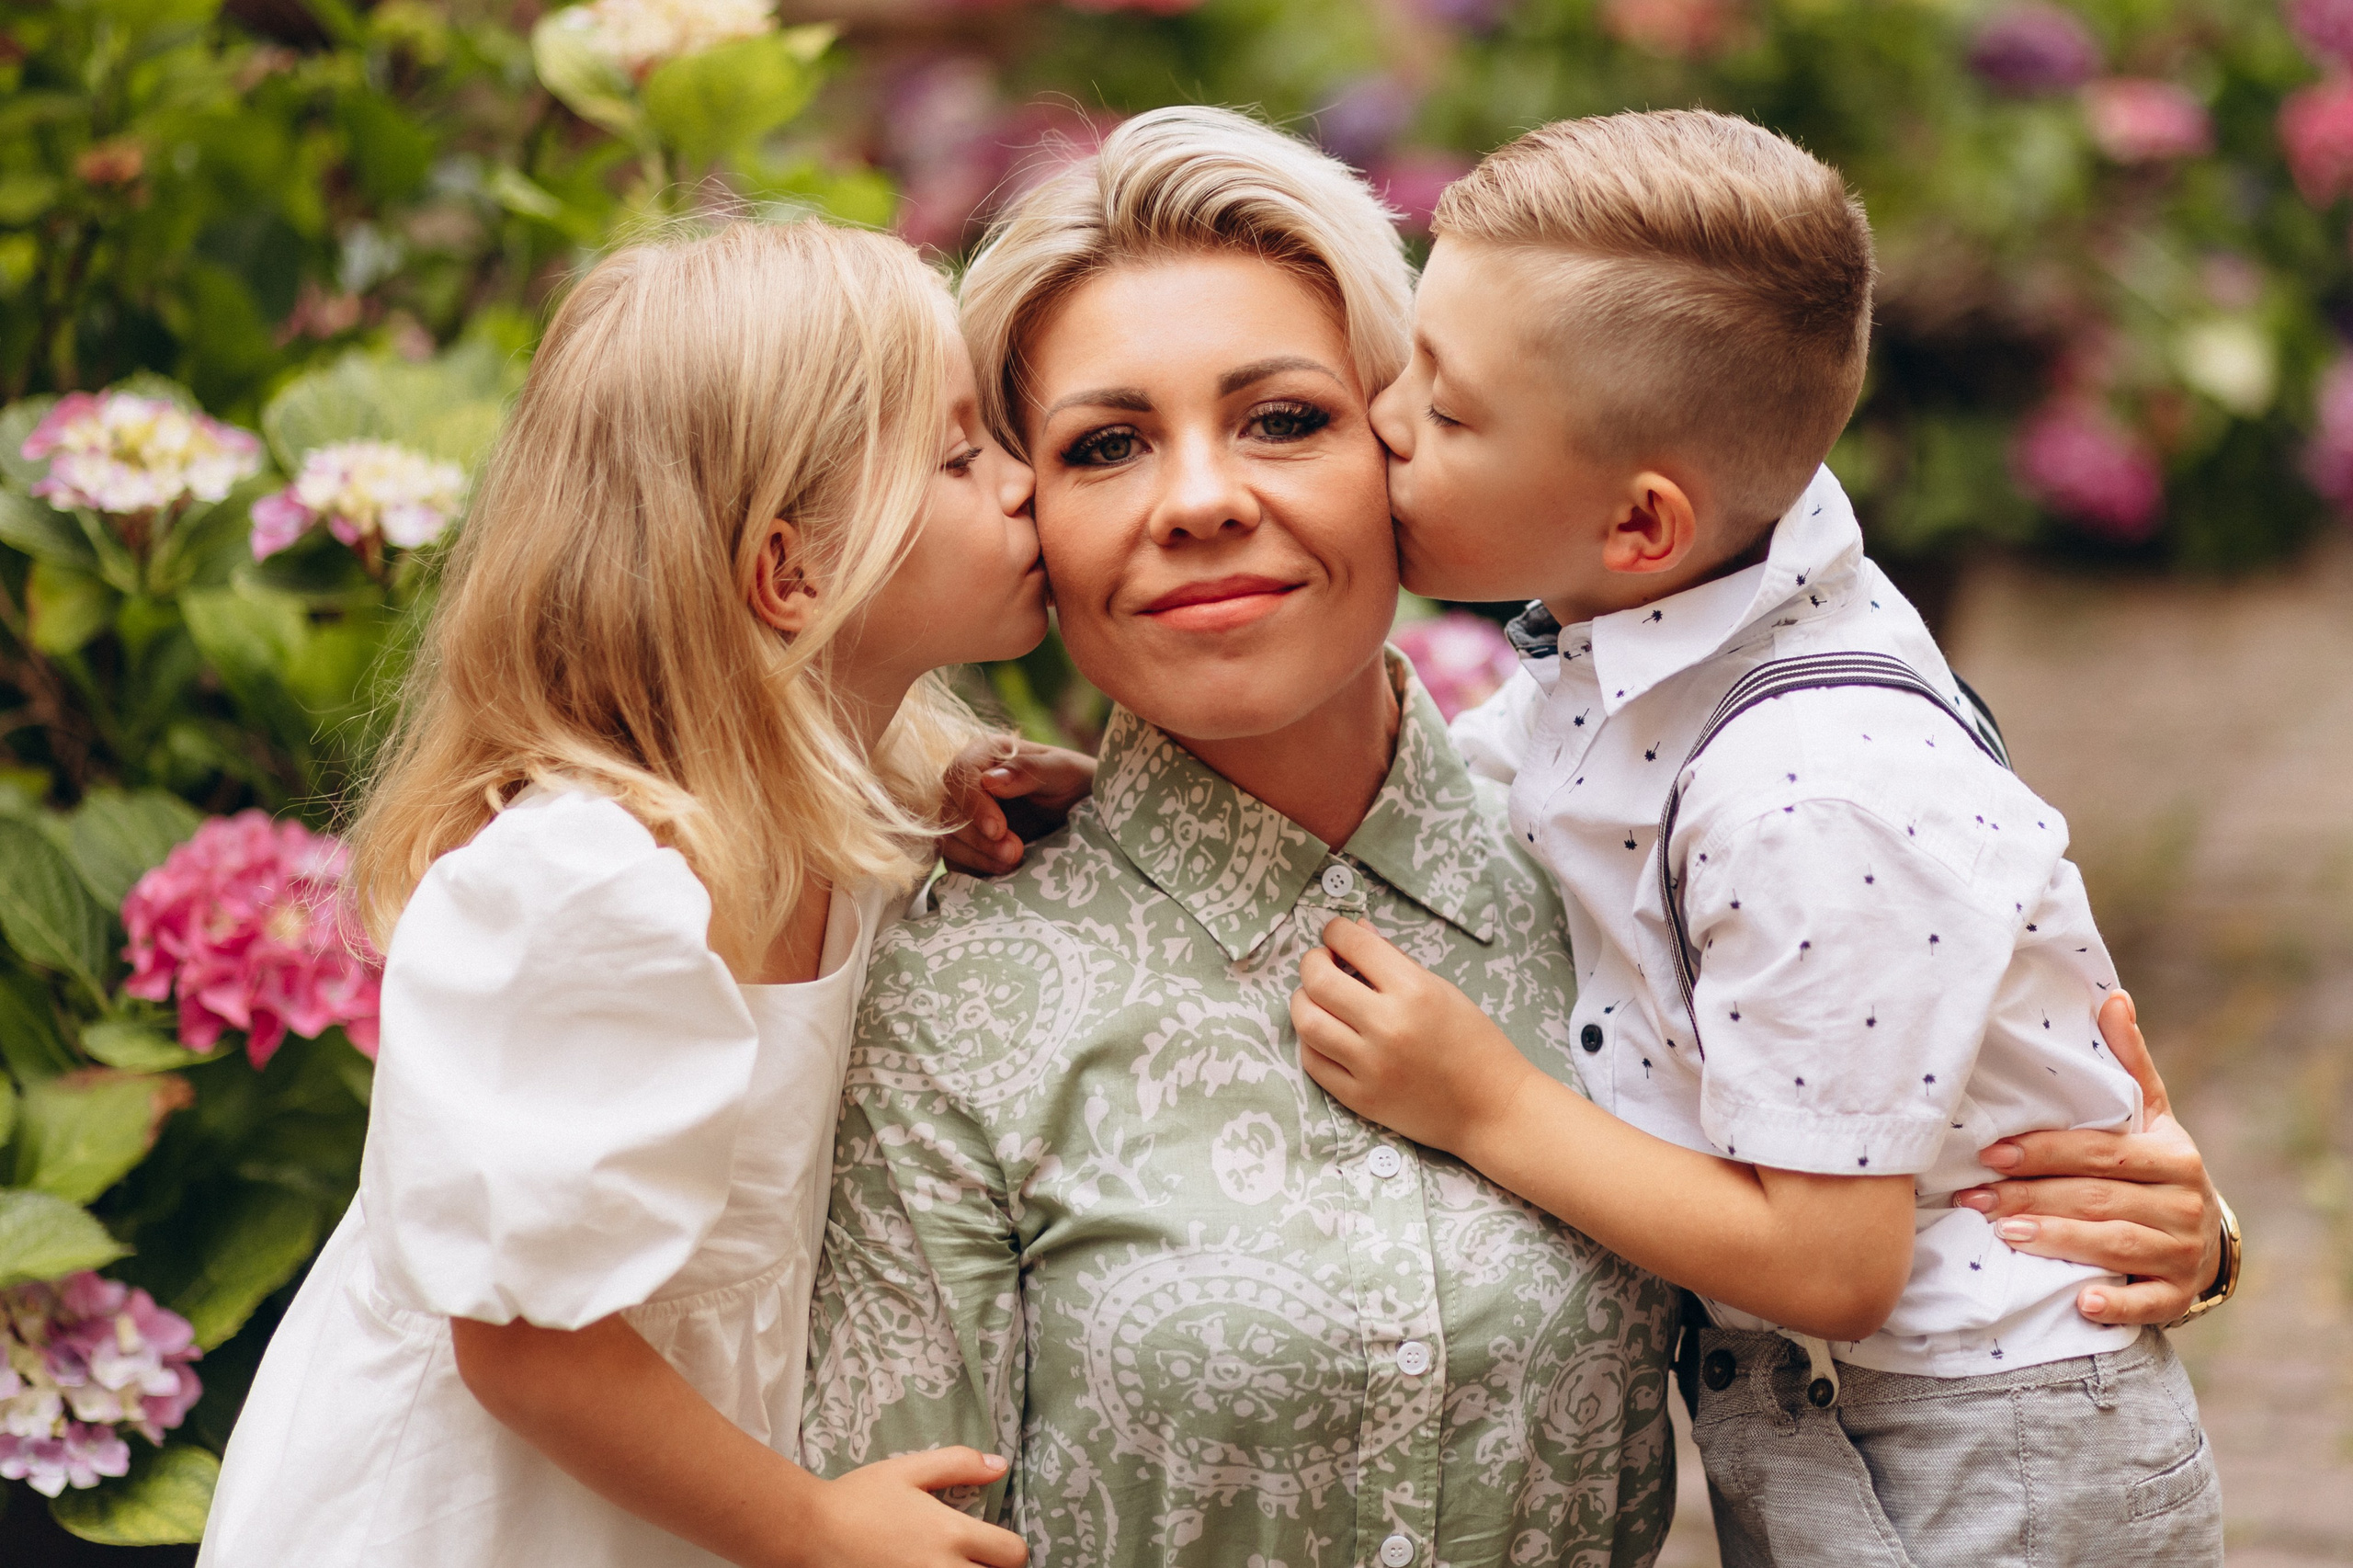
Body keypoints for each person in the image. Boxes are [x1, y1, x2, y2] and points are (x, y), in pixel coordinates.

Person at [1287, 110, 2228, 1566]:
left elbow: (1828, 1261)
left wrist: (1482, 1104)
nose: (1385, 420)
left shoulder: (1806, 791)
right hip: (1878, 1417)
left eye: (1451, 410)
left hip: (1989, 1458)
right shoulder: (1683, 603)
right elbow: (1468, 791)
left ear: (1644, 522)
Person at [802, 106, 1681, 1568]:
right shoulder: (942, 993)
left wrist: (2145, 1217)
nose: (1203, 501)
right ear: (1024, 518)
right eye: (1106, 446)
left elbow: (1865, 1261)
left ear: (1411, 445)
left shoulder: (1625, 872)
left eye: (1283, 418)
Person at [198, 222, 1041, 1568]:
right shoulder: (589, 894)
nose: (1023, 479)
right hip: (468, 1519)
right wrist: (813, 1525)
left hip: (648, 1495)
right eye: (959, 458)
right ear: (792, 574)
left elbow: (862, 775)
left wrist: (955, 790)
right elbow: (529, 1353)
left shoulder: (829, 798)